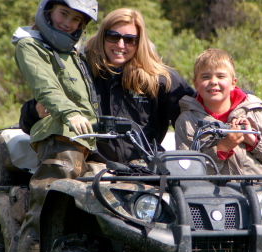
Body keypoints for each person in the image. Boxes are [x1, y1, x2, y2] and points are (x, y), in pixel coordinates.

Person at [0, 0, 98, 252]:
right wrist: (70, 113)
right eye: (63, 14)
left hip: (86, 141)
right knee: (41, 219)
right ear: (47, 11)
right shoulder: (30, 45)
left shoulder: (72, 52)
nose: (68, 23)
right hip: (60, 139)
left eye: (76, 19)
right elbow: (46, 87)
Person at [20, 8, 195, 165]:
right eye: (113, 36)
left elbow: (195, 113)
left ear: (139, 42)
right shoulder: (81, 69)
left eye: (130, 40)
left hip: (145, 167)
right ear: (102, 36)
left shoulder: (159, 78)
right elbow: (31, 119)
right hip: (90, 168)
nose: (120, 45)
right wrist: (37, 110)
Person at [175, 48, 262, 175]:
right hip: (211, 193)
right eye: (206, 77)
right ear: (195, 84)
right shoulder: (187, 121)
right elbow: (186, 171)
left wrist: (253, 140)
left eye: (221, 76)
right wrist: (221, 149)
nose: (213, 82)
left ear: (233, 83)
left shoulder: (255, 112)